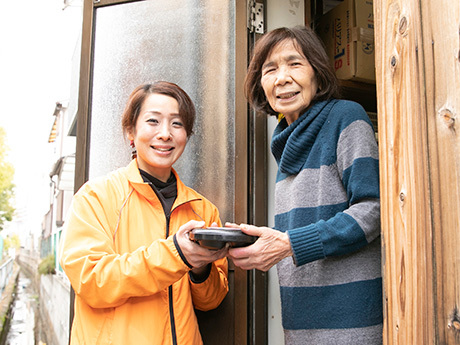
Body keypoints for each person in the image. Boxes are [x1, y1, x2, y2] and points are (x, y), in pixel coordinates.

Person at [228, 26, 382, 344]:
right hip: (301, 324)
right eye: (270, 69)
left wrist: (288, 244)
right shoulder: (285, 142)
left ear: (317, 72)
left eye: (294, 63)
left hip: (351, 323)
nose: (282, 78)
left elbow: (372, 211)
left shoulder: (346, 117)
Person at [59, 81, 229, 345]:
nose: (165, 134)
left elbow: (211, 300)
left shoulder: (202, 209)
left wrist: (200, 267)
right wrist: (176, 254)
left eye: (177, 123)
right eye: (153, 121)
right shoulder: (96, 197)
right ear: (131, 131)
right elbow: (91, 281)